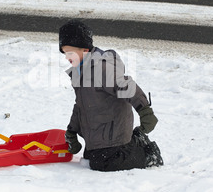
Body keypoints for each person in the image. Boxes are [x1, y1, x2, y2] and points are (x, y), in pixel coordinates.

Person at [59, 20, 163, 172]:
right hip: (98, 136)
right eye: (64, 53)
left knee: (102, 163)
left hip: (114, 133)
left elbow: (127, 86)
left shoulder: (101, 68)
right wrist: (71, 131)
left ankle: (148, 154)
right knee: (91, 157)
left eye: (70, 52)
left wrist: (145, 110)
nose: (67, 57)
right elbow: (80, 106)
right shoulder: (78, 73)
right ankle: (136, 141)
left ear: (85, 48)